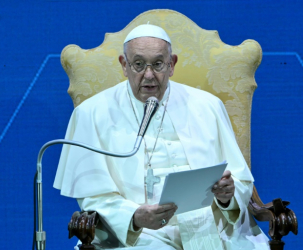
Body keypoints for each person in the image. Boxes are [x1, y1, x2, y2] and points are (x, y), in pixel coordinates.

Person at [54, 24, 270, 250]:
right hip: (140, 236)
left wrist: (227, 196)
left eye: (157, 64)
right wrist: (135, 217)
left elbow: (240, 178)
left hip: (212, 226)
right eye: (138, 64)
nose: (149, 75)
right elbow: (93, 196)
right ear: (124, 65)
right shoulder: (91, 113)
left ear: (172, 64)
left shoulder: (208, 105)